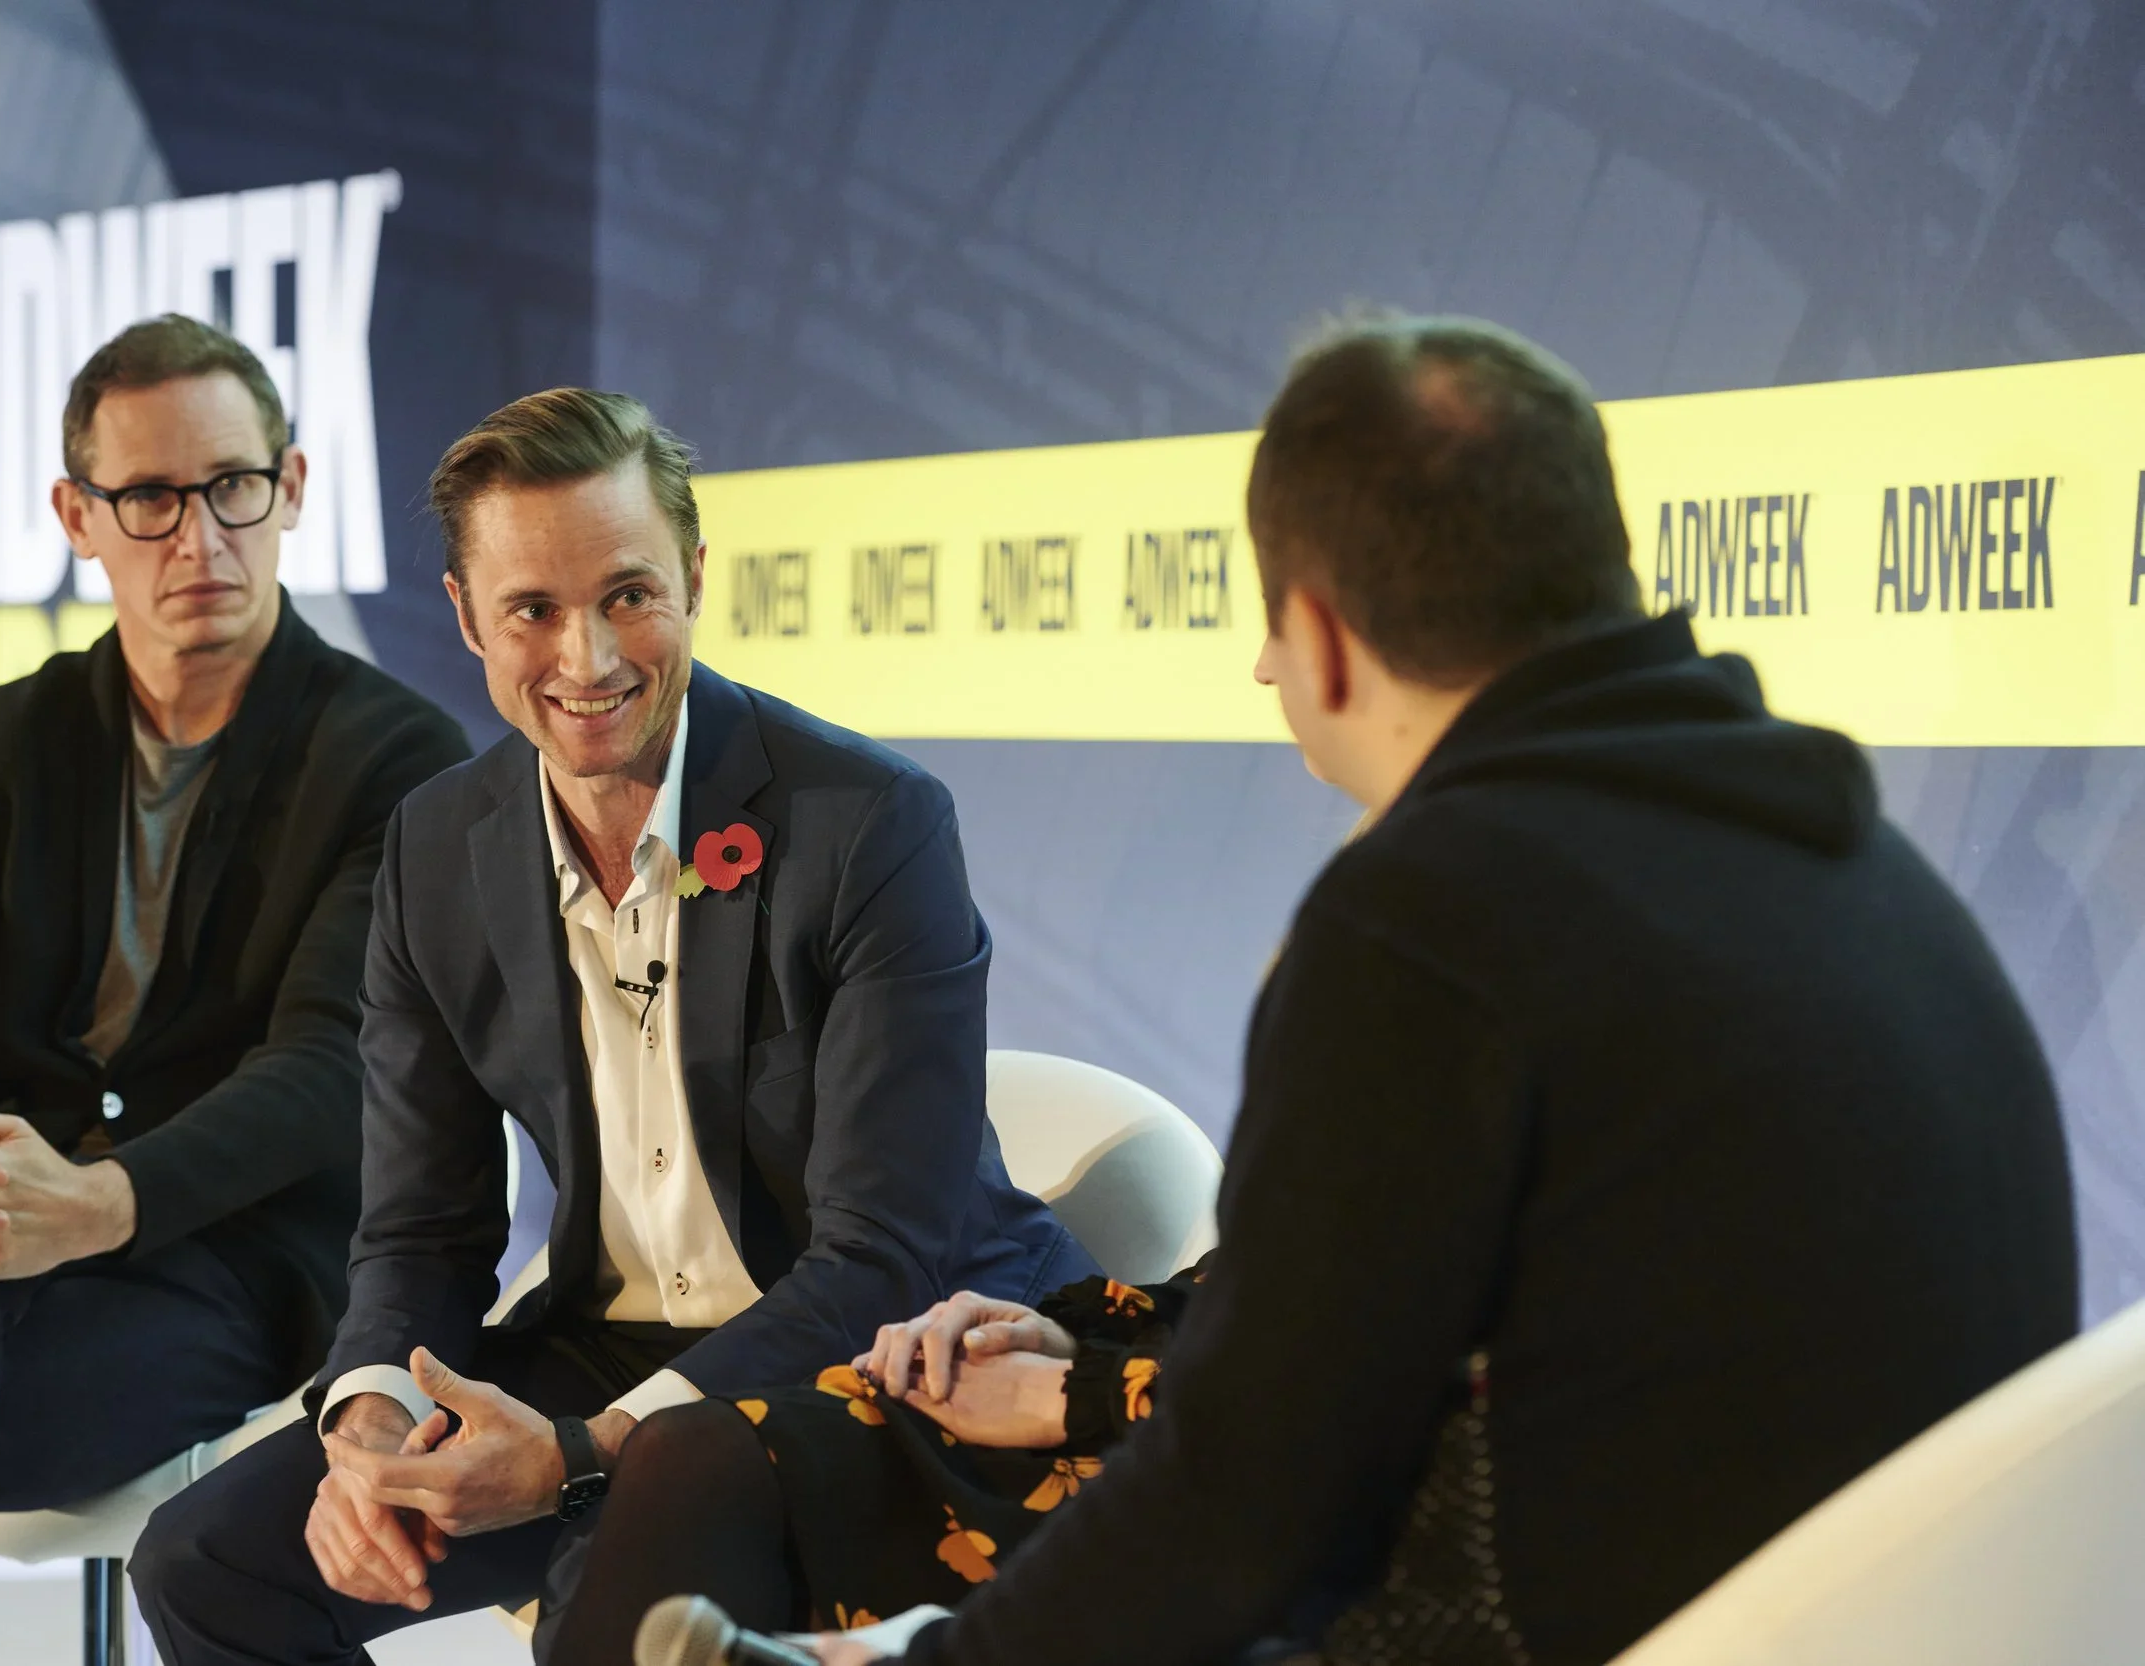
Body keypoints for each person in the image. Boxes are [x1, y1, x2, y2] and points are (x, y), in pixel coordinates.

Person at [558, 317, 2082, 1666]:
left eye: (1272, 628)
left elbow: (1248, 1504)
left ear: (1333, 639)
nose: (1267, 677)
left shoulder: (1433, 915)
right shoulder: (1855, 862)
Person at [127, 388, 1093, 1663]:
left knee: (603, 1601)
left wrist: (581, 1456)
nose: (588, 658)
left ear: (694, 577)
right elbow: (422, 1225)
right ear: (468, 616)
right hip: (603, 1348)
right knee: (207, 1561)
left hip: (868, 1361)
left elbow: (882, 1255)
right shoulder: (434, 846)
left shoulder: (869, 824)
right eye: (533, 609)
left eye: (629, 594)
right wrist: (367, 1422)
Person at [0, 314, 470, 1666]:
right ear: (78, 515)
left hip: (239, 1265)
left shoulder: (396, 760)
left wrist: (85, 1204)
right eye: (149, 499)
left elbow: (329, 1073)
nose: (198, 538)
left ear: (294, 488)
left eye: (233, 488)